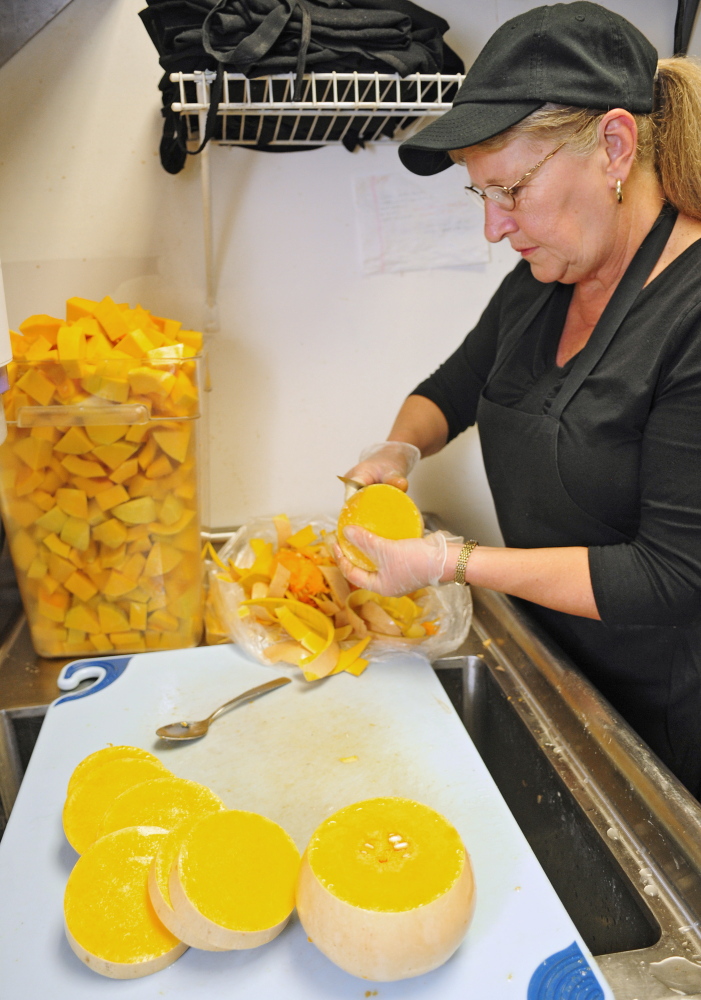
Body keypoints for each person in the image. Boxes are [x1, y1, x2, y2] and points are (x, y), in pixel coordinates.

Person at [333, 2, 701, 799]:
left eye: (511, 190)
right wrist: (401, 447)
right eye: (482, 197)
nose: (495, 229)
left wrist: (449, 561)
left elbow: (672, 575)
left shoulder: (691, 314)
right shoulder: (545, 278)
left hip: (672, 725)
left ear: (612, 146)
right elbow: (454, 388)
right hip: (563, 674)